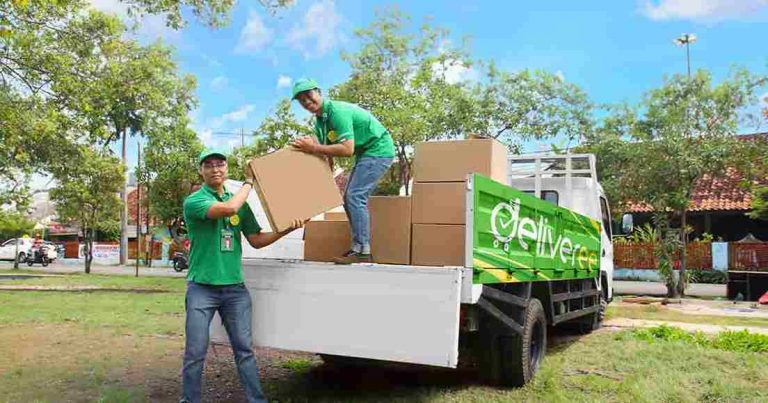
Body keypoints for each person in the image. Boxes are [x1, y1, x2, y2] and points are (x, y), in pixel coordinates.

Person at [181, 148, 304, 403]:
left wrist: (284, 230)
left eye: (220, 164)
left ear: (226, 169)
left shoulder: (239, 202)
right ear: (201, 171)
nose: (215, 169)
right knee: (195, 352)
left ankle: (256, 400)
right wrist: (249, 181)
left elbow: (257, 240)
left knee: (245, 351)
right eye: (209, 165)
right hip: (201, 289)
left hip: (235, 290)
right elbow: (228, 209)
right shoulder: (195, 201)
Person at [291, 78, 395, 264]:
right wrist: (323, 188)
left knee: (354, 196)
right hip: (365, 154)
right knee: (349, 196)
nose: (307, 102)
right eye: (301, 100)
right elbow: (327, 157)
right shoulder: (320, 122)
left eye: (308, 95)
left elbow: (347, 149)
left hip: (379, 149)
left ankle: (362, 250)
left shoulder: (337, 112)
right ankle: (359, 247)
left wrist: (313, 148)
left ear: (318, 91)